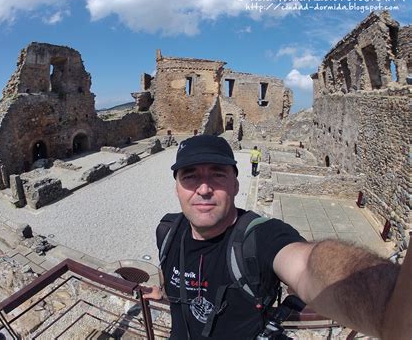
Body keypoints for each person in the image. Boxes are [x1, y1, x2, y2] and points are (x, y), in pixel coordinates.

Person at [144, 135, 403, 339]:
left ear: (236, 184)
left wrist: (393, 304)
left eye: (217, 174)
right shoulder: (167, 231)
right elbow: (179, 277)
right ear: (176, 188)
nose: (203, 189)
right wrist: (164, 294)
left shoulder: (260, 238)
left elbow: (306, 267)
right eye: (190, 176)